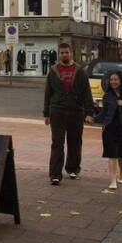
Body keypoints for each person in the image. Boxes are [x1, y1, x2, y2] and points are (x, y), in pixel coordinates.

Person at [43, 42, 94, 185]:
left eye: (67, 52)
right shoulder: (53, 71)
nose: (64, 54)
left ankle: (72, 169)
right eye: (62, 52)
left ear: (71, 53)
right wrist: (46, 113)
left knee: (75, 142)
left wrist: (89, 112)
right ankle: (55, 174)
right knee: (57, 143)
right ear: (59, 54)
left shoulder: (80, 71)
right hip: (57, 111)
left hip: (76, 111)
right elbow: (48, 93)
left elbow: (86, 93)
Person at [96, 71, 122, 190]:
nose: (113, 82)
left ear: (121, 81)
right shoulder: (107, 95)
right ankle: (113, 180)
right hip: (109, 128)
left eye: (116, 79)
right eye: (111, 79)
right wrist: (93, 118)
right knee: (112, 155)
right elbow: (103, 113)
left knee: (121, 156)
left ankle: (121, 172)